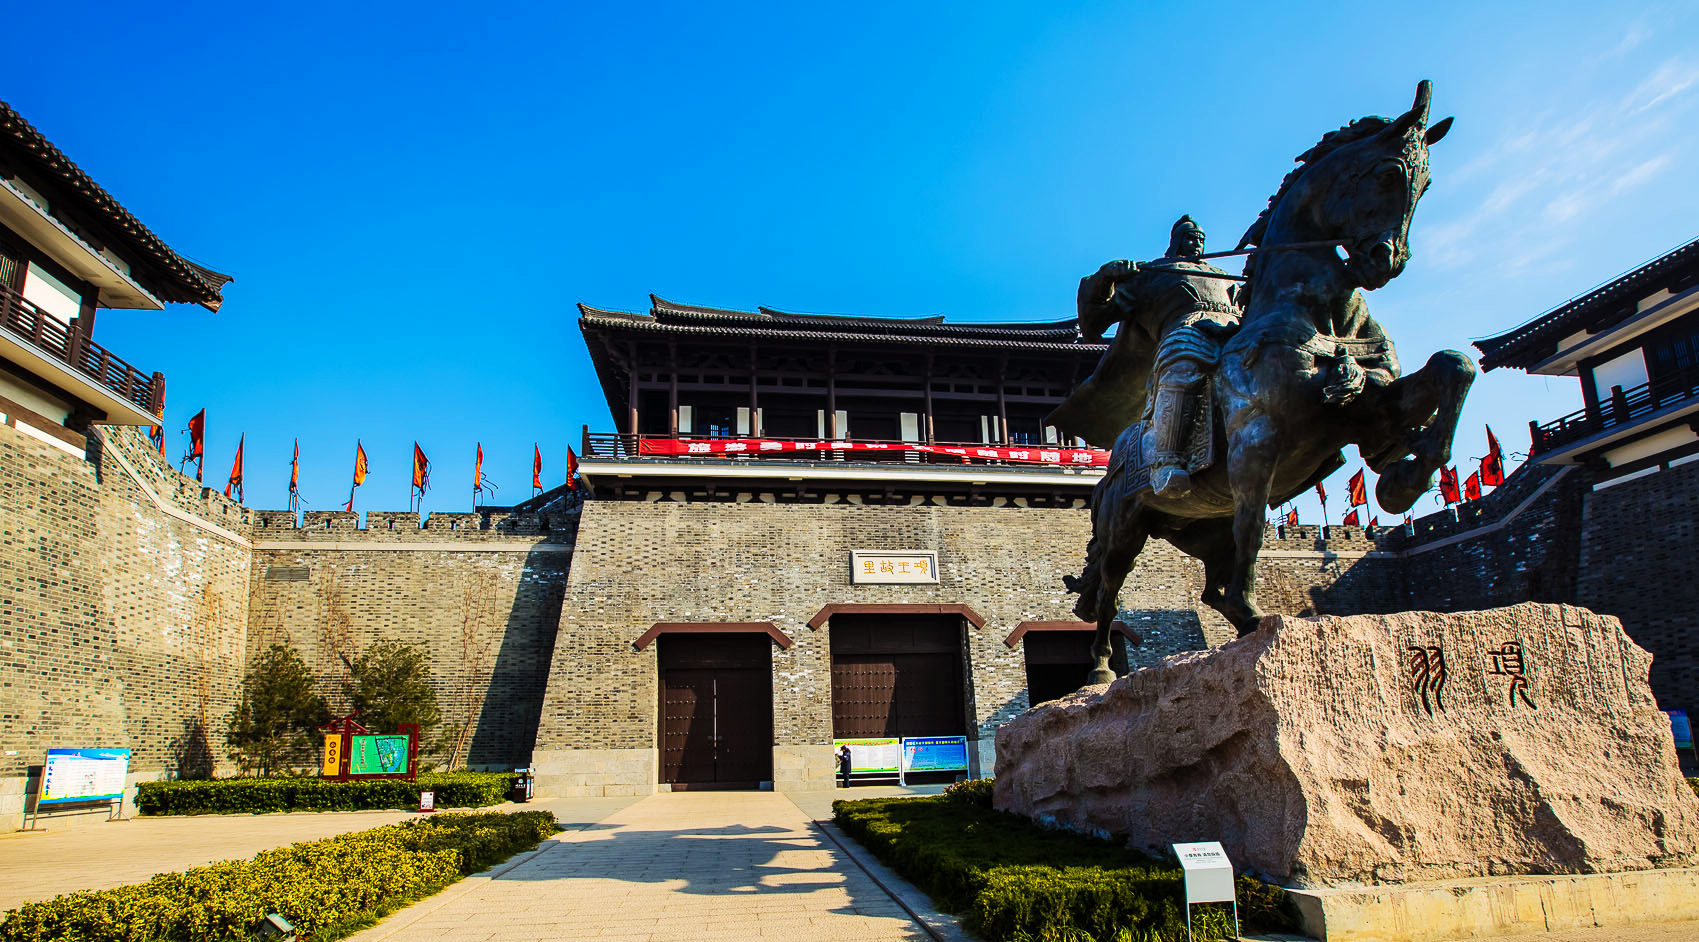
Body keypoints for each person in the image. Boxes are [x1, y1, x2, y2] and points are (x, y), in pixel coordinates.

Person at [1048, 216, 1241, 497]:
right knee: (1182, 365)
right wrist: (1105, 279)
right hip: (1186, 334)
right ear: (1175, 242)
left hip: (1232, 334)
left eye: (1200, 238)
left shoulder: (1224, 275)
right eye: (1189, 237)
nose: (1196, 242)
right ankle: (1167, 458)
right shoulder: (1155, 274)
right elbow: (1095, 323)